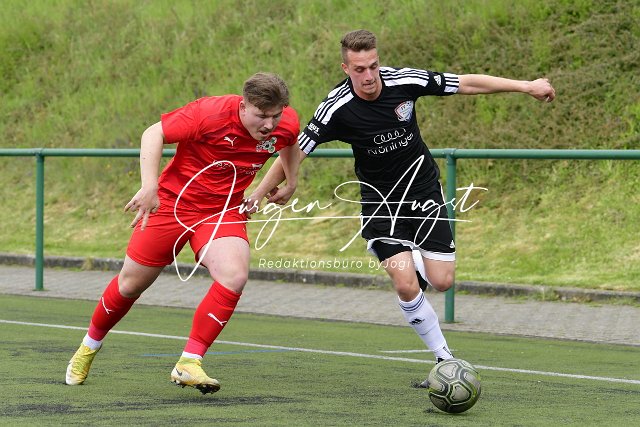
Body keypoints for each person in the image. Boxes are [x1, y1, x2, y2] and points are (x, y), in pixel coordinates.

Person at [251, 29, 555, 386]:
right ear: (346, 68)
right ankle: (445, 360)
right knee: (406, 285)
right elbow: (296, 151)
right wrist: (263, 191)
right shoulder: (336, 107)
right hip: (380, 204)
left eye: (373, 66)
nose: (369, 76)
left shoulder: (404, 81)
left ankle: (415, 271)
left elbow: (466, 83)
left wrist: (526, 86)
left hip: (424, 194)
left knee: (442, 281)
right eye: (359, 69)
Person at [65, 72, 301, 394]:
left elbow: (289, 142)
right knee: (130, 284)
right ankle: (89, 347)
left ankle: (189, 361)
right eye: (262, 116)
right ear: (243, 106)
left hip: (222, 210)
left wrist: (290, 181)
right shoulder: (209, 113)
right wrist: (149, 186)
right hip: (173, 204)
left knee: (234, 275)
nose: (269, 125)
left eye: (275, 116)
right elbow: (153, 133)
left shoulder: (284, 121)